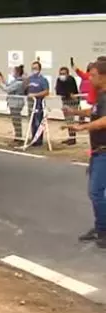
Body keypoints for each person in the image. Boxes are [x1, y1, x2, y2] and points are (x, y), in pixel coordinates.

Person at [63, 60, 106, 247]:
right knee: (96, 192)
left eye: (94, 75)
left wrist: (82, 127)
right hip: (98, 151)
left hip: (104, 152)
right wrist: (76, 111)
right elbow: (95, 111)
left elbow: (104, 120)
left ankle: (103, 230)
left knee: (96, 192)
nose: (91, 78)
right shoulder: (101, 97)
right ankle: (100, 227)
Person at [0, 65, 25, 145]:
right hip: (13, 103)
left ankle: (19, 138)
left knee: (16, 121)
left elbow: (7, 89)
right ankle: (17, 137)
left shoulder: (19, 83)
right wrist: (3, 80)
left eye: (14, 71)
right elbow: (9, 85)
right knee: (15, 121)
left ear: (17, 73)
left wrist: (0, 83)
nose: (12, 73)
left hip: (16, 104)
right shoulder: (16, 81)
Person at [26, 61, 50, 147]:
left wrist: (35, 95)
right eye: (33, 68)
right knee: (32, 122)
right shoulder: (30, 78)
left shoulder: (43, 80)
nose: (34, 70)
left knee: (38, 122)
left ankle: (39, 140)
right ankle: (33, 138)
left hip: (39, 104)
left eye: (35, 68)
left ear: (39, 69)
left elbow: (46, 91)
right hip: (31, 104)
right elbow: (25, 89)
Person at [56, 66, 80, 145]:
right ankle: (71, 137)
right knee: (68, 120)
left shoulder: (71, 79)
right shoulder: (59, 80)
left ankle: (73, 138)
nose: (62, 75)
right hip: (65, 101)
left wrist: (67, 93)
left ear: (68, 74)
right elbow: (58, 91)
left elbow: (71, 91)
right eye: (61, 73)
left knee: (70, 120)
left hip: (72, 102)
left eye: (64, 73)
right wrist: (67, 94)